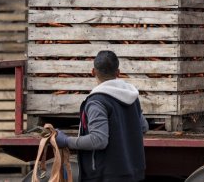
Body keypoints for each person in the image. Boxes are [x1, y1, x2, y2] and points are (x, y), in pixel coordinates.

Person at [56, 50, 148, 182]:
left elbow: (98, 140)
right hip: (133, 173)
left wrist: (66, 141)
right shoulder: (132, 97)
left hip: (106, 176)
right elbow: (143, 127)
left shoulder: (97, 102)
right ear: (118, 72)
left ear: (93, 72)